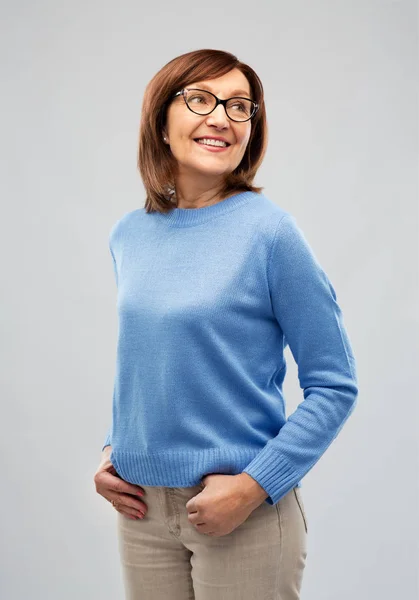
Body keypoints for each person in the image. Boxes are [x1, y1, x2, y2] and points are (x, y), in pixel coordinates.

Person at [93, 48, 359, 600]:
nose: (221, 117)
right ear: (161, 121)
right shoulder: (129, 234)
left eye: (240, 106)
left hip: (242, 516)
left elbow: (335, 384)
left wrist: (254, 486)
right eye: (200, 99)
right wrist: (114, 450)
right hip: (141, 513)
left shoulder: (271, 234)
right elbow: (154, 360)